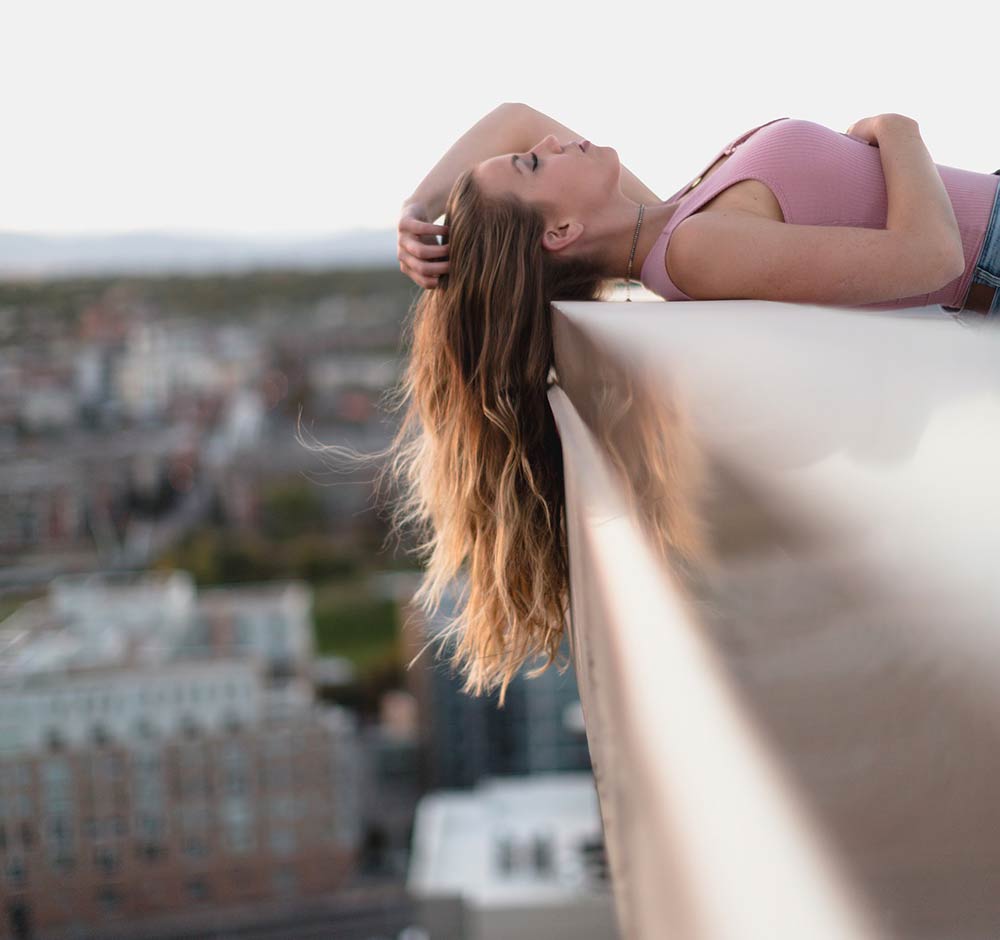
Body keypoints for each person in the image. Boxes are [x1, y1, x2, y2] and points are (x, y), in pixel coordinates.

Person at [318, 104, 1000, 707]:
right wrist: (895, 128)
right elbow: (932, 257)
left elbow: (518, 117)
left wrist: (413, 210)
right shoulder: (694, 253)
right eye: (533, 165)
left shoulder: (671, 220)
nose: (553, 141)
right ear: (559, 232)